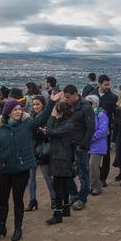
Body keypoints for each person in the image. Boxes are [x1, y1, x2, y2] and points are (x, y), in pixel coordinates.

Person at [0, 99, 50, 241]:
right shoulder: (1, 128)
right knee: (3, 200)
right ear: (8, 112)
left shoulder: (27, 124)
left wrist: (51, 102)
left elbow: (42, 118)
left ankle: (17, 228)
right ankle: (1, 227)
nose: (18, 112)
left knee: (18, 199)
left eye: (19, 109)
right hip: (5, 168)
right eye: (15, 109)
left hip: (21, 169)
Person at [43, 96, 81, 226]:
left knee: (57, 186)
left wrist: (52, 117)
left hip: (61, 158)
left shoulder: (67, 125)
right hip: (63, 157)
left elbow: (49, 131)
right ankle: (65, 209)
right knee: (63, 185)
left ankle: (57, 214)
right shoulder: (67, 123)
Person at [96, 76, 118, 186]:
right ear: (99, 84)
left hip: (106, 130)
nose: (107, 87)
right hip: (93, 129)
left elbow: (116, 114)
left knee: (105, 154)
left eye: (108, 85)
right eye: (105, 85)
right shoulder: (91, 95)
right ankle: (96, 174)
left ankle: (103, 177)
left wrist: (112, 126)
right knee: (92, 154)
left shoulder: (113, 97)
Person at [86, 96, 108, 196]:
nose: (88, 105)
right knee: (89, 166)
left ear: (95, 103)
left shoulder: (101, 115)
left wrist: (90, 137)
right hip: (87, 145)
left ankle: (96, 187)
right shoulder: (86, 114)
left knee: (93, 166)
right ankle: (91, 185)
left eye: (90, 103)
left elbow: (102, 131)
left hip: (98, 144)